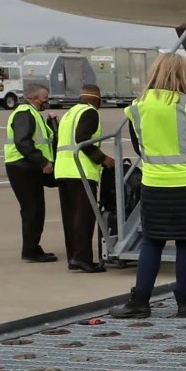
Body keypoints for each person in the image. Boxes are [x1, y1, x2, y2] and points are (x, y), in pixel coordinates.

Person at [111, 54, 186, 319]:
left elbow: (139, 147)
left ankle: (140, 301)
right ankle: (184, 301)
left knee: (152, 242)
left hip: (155, 184)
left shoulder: (138, 107)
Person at [55, 83, 114, 272]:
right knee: (84, 217)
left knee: (70, 217)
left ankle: (74, 257)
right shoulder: (90, 113)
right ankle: (82, 258)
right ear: (96, 98)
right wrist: (102, 158)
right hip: (80, 171)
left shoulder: (69, 114)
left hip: (63, 170)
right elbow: (82, 139)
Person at [3, 81, 57, 263]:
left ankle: (32, 248)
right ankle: (30, 251)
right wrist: (42, 161)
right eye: (44, 98)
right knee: (32, 209)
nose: (46, 101)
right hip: (22, 167)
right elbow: (23, 142)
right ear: (34, 98)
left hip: (28, 166)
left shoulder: (33, 113)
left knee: (35, 209)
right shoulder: (24, 114)